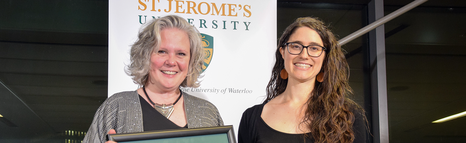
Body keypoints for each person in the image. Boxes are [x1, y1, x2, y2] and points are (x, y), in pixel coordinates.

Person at [83, 15, 224, 143]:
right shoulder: (116, 108)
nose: (171, 61)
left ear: (191, 61)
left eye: (181, 53)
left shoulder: (208, 113)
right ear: (145, 55)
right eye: (162, 51)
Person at [238, 17, 368, 143]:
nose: (304, 55)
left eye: (314, 48)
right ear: (283, 52)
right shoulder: (251, 117)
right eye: (296, 46)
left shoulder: (348, 117)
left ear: (325, 58)